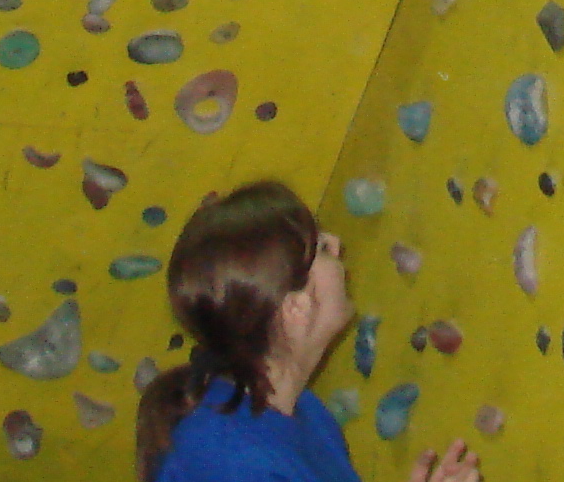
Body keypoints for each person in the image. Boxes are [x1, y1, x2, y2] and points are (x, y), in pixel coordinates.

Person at [136, 180, 475, 482]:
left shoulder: (305, 412)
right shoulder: (228, 458)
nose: (336, 243)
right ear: (294, 308)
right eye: (322, 249)